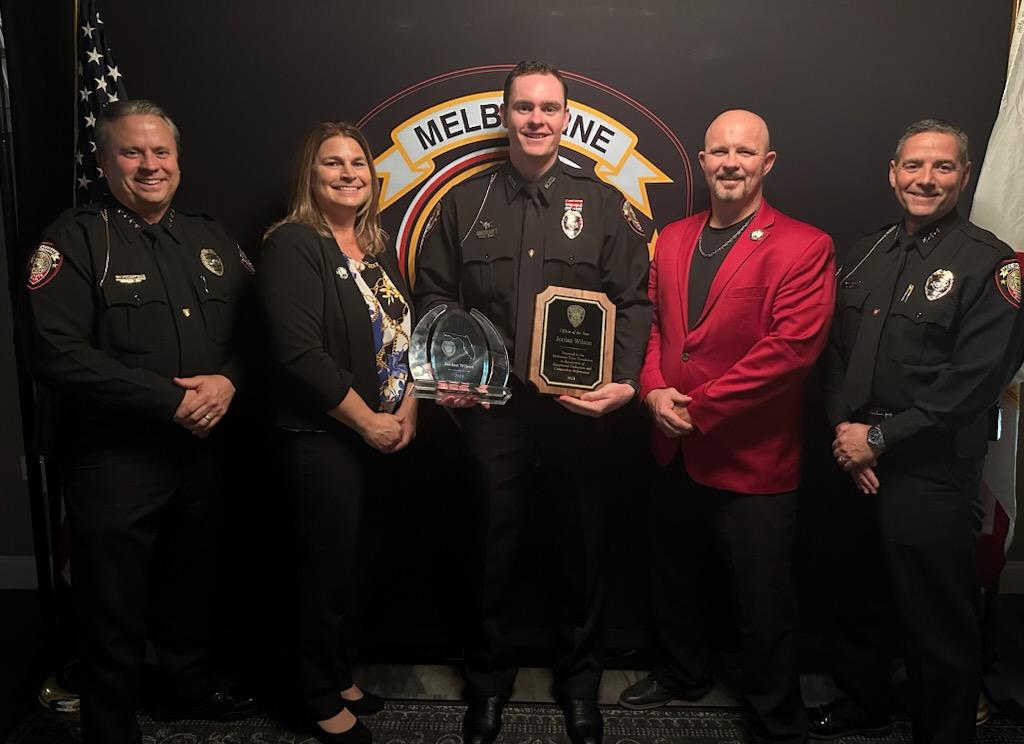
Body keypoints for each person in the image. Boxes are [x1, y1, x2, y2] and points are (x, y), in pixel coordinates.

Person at [413, 60, 652, 744]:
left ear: (566, 118)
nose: (536, 119)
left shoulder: (601, 202)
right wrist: (455, 363)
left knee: (583, 549)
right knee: (490, 551)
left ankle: (580, 687)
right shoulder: (465, 202)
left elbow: (634, 300)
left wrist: (628, 383)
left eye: (549, 108)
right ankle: (487, 685)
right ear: (505, 116)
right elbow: (432, 294)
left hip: (581, 412)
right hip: (493, 411)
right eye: (524, 108)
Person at [26, 99, 256, 744]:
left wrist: (229, 379)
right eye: (132, 152)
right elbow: (56, 352)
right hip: (115, 457)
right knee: (112, 603)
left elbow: (257, 331)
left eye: (161, 152)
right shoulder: (73, 239)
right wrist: (168, 399)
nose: (149, 165)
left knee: (192, 581)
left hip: (204, 449)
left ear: (178, 160)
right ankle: (110, 720)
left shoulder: (211, 238)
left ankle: (187, 685)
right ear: (104, 162)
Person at [619, 109, 835, 744]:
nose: (730, 163)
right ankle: (682, 673)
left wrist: (697, 408)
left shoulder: (804, 245)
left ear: (767, 164)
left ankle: (777, 717)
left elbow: (789, 351)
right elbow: (656, 327)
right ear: (703, 160)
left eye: (744, 152)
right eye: (719, 152)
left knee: (763, 603)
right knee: (675, 577)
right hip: (671, 445)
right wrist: (653, 391)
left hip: (752, 458)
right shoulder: (674, 237)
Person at [815, 119, 1023, 743]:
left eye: (941, 167)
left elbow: (973, 381)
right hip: (854, 453)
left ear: (963, 175)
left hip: (927, 466)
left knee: (936, 615)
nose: (924, 179)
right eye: (913, 166)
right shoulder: (867, 251)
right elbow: (834, 355)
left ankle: (944, 731)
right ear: (893, 172)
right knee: (859, 593)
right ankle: (864, 700)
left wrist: (878, 440)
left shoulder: (994, 266)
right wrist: (846, 433)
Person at [259, 122, 415, 744]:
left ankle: (338, 671)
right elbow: (299, 354)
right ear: (310, 175)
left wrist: (409, 412)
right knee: (322, 571)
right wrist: (368, 419)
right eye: (333, 163)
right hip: (323, 437)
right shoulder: (294, 244)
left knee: (355, 565)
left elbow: (404, 343)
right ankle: (314, 695)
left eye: (358, 162)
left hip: (378, 434)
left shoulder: (373, 249)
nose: (349, 172)